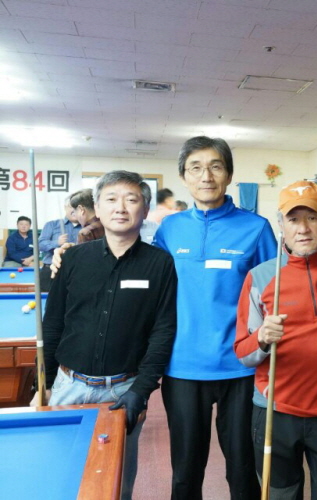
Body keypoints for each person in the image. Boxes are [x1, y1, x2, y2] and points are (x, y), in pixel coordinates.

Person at [41, 170, 177, 500]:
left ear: (145, 210)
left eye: (131, 200)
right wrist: (41, 383)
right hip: (68, 386)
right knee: (60, 477)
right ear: (97, 208)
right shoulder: (72, 258)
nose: (121, 207)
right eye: (111, 199)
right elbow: (53, 322)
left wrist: (141, 391)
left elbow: (163, 331)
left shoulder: (160, 264)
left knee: (117, 484)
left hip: (123, 391)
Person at [154, 136, 277, 500]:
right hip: (182, 367)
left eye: (215, 166)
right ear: (183, 177)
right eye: (196, 168)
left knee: (243, 472)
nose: (206, 176)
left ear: (229, 175)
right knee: (185, 473)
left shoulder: (256, 228)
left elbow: (274, 293)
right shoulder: (170, 229)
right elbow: (148, 283)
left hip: (240, 367)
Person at [235, 181, 317, 500]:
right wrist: (262, 338)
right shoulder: (261, 276)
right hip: (275, 413)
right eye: (293, 219)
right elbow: (243, 354)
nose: (303, 228)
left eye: (312, 218)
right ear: (281, 225)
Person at [38, 199, 81, 291]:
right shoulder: (52, 225)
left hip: (78, 271)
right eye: (71, 206)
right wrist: (56, 243)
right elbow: (40, 245)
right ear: (65, 208)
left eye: (77, 207)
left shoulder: (87, 227)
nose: (74, 210)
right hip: (51, 269)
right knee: (47, 298)